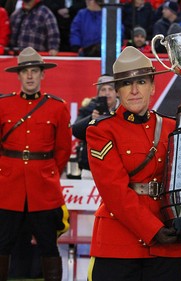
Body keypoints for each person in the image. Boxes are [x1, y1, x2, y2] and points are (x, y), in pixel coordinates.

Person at [86, 46, 181, 280]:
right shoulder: (101, 131)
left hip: (171, 237)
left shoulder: (173, 126)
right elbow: (114, 191)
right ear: (117, 91)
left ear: (153, 87)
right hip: (119, 242)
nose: (134, 90)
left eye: (142, 82)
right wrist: (153, 230)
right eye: (126, 84)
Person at [0, 47, 71, 280]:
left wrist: (48, 172)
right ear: (18, 75)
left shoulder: (57, 107)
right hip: (8, 187)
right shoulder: (3, 105)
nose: (30, 76)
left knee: (48, 245)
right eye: (25, 72)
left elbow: (62, 150)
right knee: (2, 244)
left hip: (43, 187)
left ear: (43, 75)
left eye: (34, 71)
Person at [72, 74, 119, 180]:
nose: (107, 93)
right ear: (98, 93)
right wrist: (91, 119)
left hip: (116, 168)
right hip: (90, 168)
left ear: (117, 92)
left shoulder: (123, 110)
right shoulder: (89, 108)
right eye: (103, 89)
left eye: (110, 89)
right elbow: (75, 130)